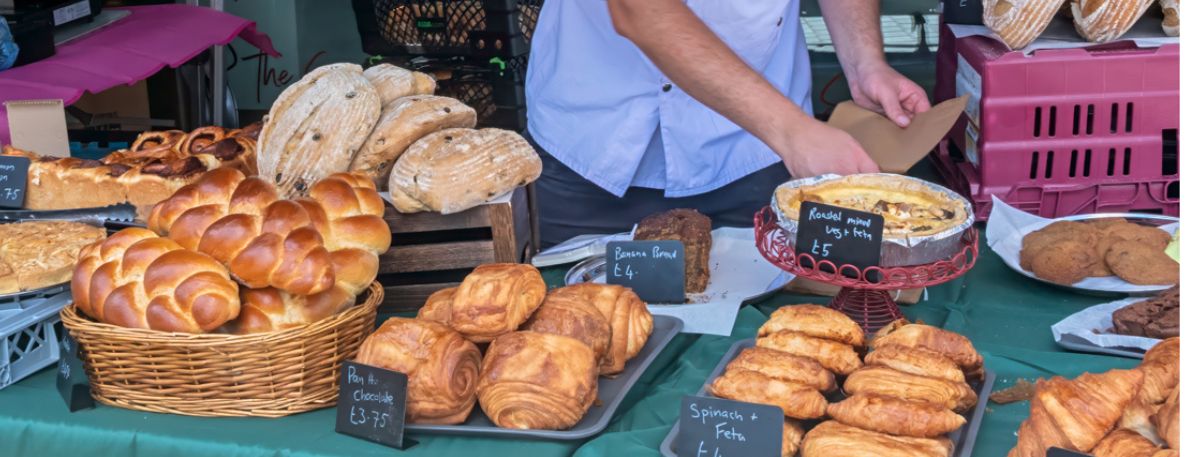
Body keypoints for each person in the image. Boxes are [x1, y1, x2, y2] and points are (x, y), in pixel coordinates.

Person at [526, 0, 931, 248]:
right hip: (593, 144)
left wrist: (865, 62)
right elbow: (639, 10)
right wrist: (792, 130)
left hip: (751, 151)